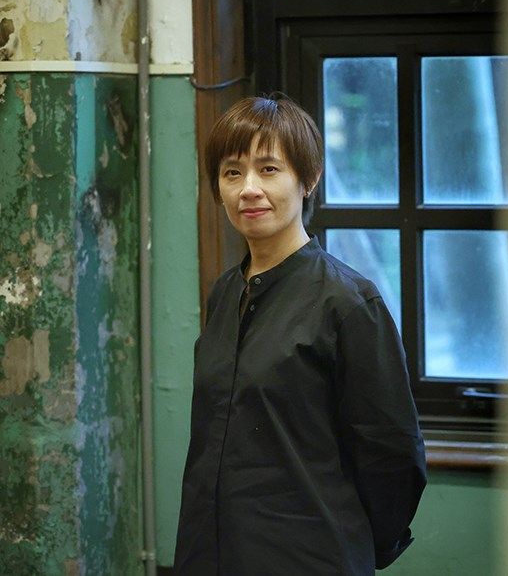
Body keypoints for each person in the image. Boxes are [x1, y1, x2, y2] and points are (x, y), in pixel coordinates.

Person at [174, 95, 426, 575]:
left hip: (310, 558)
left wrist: (353, 542)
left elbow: (392, 454)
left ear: (308, 179)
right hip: (210, 553)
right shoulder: (225, 293)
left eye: (269, 169)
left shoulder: (349, 303)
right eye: (232, 173)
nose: (249, 189)